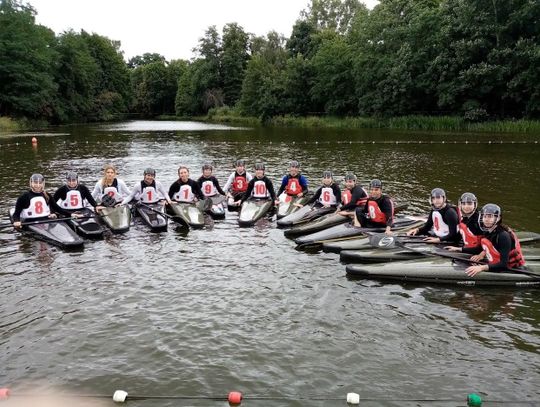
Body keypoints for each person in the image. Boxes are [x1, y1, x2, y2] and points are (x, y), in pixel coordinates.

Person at [448, 203, 525, 276]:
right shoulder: (488, 231)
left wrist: (481, 268)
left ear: (498, 218)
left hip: (510, 268)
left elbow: (503, 264)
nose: (486, 219)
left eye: (490, 216)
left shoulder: (503, 236)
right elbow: (480, 249)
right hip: (494, 263)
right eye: (485, 216)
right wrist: (459, 249)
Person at [12, 174, 76, 228]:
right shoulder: (24, 197)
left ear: (43, 184)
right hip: (29, 221)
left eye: (40, 183)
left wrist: (71, 214)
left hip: (46, 220)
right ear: (31, 183)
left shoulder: (47, 195)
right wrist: (16, 221)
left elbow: (57, 208)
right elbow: (16, 214)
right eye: (35, 182)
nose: (38, 185)